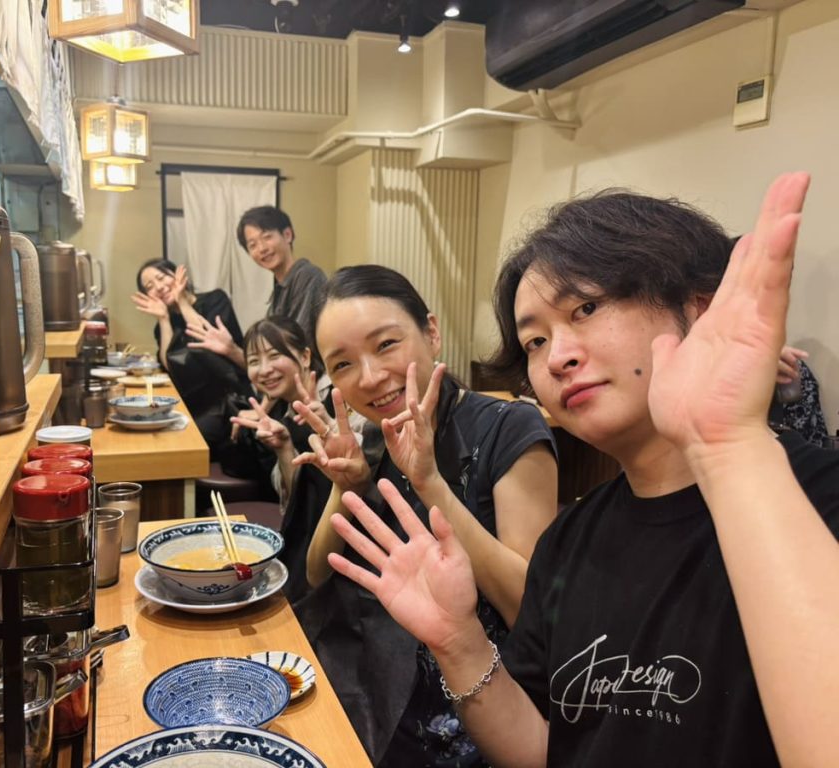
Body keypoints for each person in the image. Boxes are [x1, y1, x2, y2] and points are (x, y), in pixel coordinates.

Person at [326, 175, 839, 767]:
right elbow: (542, 748)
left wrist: (729, 440)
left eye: (587, 308)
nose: (558, 357)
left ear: (699, 305)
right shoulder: (570, 541)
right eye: (535, 342)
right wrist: (459, 642)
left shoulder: (818, 503)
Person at [290, 265, 558, 766]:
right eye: (343, 364)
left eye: (386, 344)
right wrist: (346, 487)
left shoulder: (509, 429)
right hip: (366, 692)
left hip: (476, 717)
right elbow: (317, 574)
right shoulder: (371, 437)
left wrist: (430, 483)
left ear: (431, 332)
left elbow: (530, 607)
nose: (370, 376)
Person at [229, 315, 338, 599]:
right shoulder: (283, 408)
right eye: (254, 361)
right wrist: (284, 447)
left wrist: (329, 426)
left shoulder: (336, 396)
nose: (265, 370)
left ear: (305, 356)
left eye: (275, 355)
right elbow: (297, 501)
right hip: (312, 537)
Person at [131, 259, 252, 461]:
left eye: (161, 277)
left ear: (176, 274)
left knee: (178, 447)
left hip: (229, 402)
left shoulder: (215, 300)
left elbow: (208, 342)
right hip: (195, 405)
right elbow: (170, 366)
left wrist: (182, 301)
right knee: (152, 438)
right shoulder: (164, 324)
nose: (158, 287)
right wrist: (163, 320)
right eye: (149, 287)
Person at [184, 206, 328, 368]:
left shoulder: (307, 276)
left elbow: (292, 350)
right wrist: (231, 350)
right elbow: (272, 362)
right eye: (252, 245)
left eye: (267, 237)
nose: (262, 249)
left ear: (287, 235)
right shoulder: (279, 290)